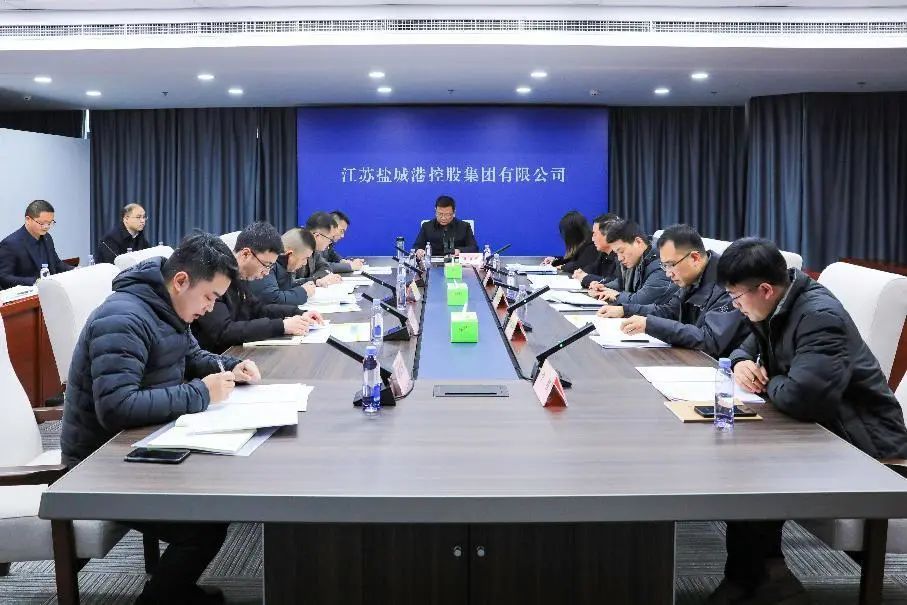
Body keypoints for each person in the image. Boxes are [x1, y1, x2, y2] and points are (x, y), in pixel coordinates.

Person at [61, 232, 261, 603]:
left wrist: (230, 367)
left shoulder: (168, 306)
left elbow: (191, 356)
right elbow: (117, 407)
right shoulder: (122, 318)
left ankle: (174, 590)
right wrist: (201, 393)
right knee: (203, 524)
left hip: (142, 443)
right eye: (210, 297)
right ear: (181, 280)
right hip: (99, 463)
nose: (211, 308)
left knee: (217, 498)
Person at [707, 237, 907, 605]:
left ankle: (763, 580)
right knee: (745, 460)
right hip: (830, 430)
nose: (735, 307)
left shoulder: (819, 317)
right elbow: (743, 348)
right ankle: (760, 577)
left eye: (736, 298)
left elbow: (802, 400)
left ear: (765, 290)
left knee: (753, 465)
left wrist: (769, 380)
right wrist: (741, 363)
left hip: (869, 448)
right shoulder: (777, 304)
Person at [596, 224, 749, 358]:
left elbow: (709, 339)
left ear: (695, 258)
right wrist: (625, 310)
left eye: (671, 265)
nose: (668, 273)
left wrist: (651, 325)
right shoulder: (691, 277)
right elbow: (669, 311)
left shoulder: (728, 283)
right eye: (665, 266)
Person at [192, 222, 323, 353]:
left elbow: (258, 309)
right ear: (246, 254)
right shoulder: (214, 277)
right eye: (266, 265)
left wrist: (298, 312)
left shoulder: (241, 277)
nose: (266, 273)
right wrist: (281, 326)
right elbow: (223, 332)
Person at [589, 219, 676, 306]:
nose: (620, 258)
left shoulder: (661, 263)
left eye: (621, 251)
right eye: (617, 253)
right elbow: (621, 283)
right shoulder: (635, 260)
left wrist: (617, 295)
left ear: (638, 242)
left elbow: (642, 301)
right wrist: (603, 287)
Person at [0, 199, 74, 287]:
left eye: (50, 223)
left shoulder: (47, 237)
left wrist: (75, 270)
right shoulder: (10, 244)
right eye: (42, 223)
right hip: (28, 292)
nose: (46, 227)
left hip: (49, 290)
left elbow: (56, 263)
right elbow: (3, 277)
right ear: (28, 219)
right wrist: (35, 282)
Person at [247, 227, 318, 306]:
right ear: (290, 254)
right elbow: (271, 298)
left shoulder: (282, 265)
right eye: (305, 258)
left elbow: (283, 288)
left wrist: (309, 282)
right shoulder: (266, 262)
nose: (305, 263)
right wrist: (303, 292)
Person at [413, 195, 478, 257]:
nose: (443, 218)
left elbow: (474, 248)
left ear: (454, 212)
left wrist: (459, 251)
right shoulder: (427, 226)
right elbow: (416, 247)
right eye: (440, 214)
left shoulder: (464, 227)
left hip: (456, 263)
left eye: (447, 214)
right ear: (435, 211)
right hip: (433, 262)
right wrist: (419, 251)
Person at [541, 210, 602, 275]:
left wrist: (561, 267)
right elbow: (572, 260)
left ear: (573, 234)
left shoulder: (592, 245)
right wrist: (554, 262)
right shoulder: (584, 243)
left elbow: (579, 266)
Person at [572, 213, 621, 288]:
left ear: (608, 235)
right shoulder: (604, 254)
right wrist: (581, 272)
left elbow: (614, 282)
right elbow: (593, 268)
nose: (592, 239)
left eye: (595, 234)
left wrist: (585, 277)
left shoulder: (621, 256)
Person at [298, 212, 342, 285]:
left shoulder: (314, 249)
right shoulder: (296, 248)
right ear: (317, 236)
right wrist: (315, 280)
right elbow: (288, 284)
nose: (330, 243)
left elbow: (326, 267)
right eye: (330, 239)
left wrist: (317, 279)